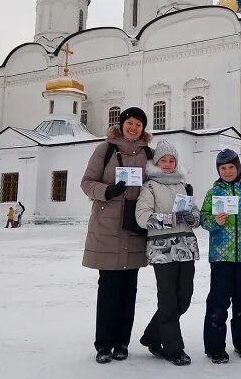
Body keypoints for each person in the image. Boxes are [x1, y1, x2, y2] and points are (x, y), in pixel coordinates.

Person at [81, 107, 153, 364]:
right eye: (129, 123)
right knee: (109, 288)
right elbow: (87, 182)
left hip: (134, 226)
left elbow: (156, 184)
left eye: (138, 124)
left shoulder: (149, 154)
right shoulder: (106, 149)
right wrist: (108, 190)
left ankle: (122, 343)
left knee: (129, 289)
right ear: (121, 124)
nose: (133, 128)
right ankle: (103, 345)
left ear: (143, 128)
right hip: (108, 228)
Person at [199, 149, 241, 364]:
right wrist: (215, 222)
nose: (228, 171)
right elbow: (203, 218)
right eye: (223, 168)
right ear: (218, 170)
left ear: (238, 168)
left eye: (231, 167)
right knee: (218, 302)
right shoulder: (213, 192)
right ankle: (215, 346)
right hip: (221, 257)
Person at [135, 140, 199, 367]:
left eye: (172, 160)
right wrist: (172, 219)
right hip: (162, 250)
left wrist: (193, 217)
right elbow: (142, 217)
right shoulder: (149, 187)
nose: (168, 164)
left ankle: (152, 335)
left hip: (185, 248)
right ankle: (173, 348)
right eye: (164, 160)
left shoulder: (183, 185)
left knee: (184, 298)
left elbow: (193, 212)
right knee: (168, 299)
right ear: (156, 162)